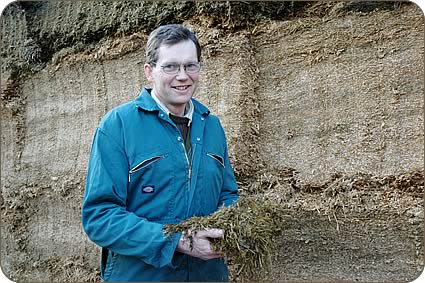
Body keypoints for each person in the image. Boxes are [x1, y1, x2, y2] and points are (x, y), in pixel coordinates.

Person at [81, 24, 239, 282]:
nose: (183, 76)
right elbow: (100, 217)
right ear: (149, 72)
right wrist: (177, 241)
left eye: (191, 65)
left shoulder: (212, 126)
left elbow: (227, 193)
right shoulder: (118, 126)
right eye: (170, 66)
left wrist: (231, 226)